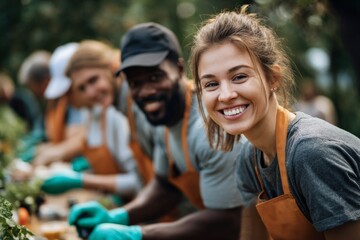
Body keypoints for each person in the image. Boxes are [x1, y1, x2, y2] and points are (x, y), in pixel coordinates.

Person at [191, 5, 360, 240]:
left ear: (273, 79)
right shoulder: (249, 161)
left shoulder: (311, 153)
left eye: (239, 76)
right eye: (211, 84)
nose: (225, 94)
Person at [68, 22, 243, 240]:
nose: (146, 91)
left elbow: (227, 221)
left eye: (154, 77)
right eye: (135, 83)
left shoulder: (210, 130)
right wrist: (118, 217)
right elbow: (166, 186)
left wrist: (137, 234)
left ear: (179, 70)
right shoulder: (165, 122)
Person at [41, 40, 142, 201]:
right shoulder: (100, 109)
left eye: (93, 80)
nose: (89, 93)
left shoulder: (121, 110)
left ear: (110, 68)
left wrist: (81, 181)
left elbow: (140, 179)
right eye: (81, 88)